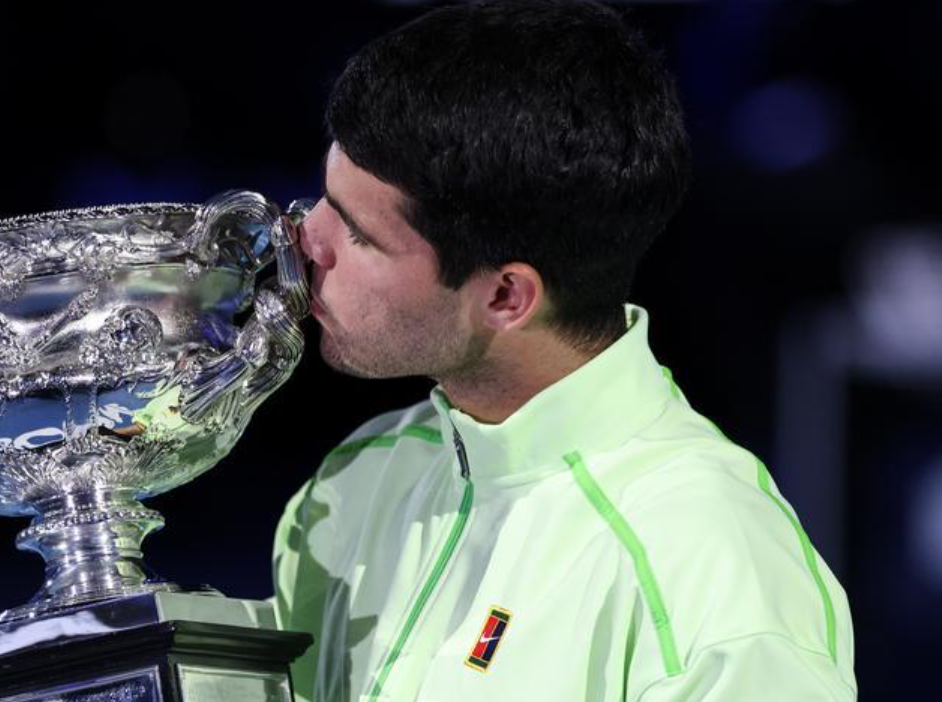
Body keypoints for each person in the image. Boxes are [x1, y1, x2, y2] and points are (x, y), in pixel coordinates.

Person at [269, 1, 857, 700]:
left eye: (361, 235)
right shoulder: (358, 478)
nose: (303, 240)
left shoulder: (714, 576)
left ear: (506, 296)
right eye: (322, 197)